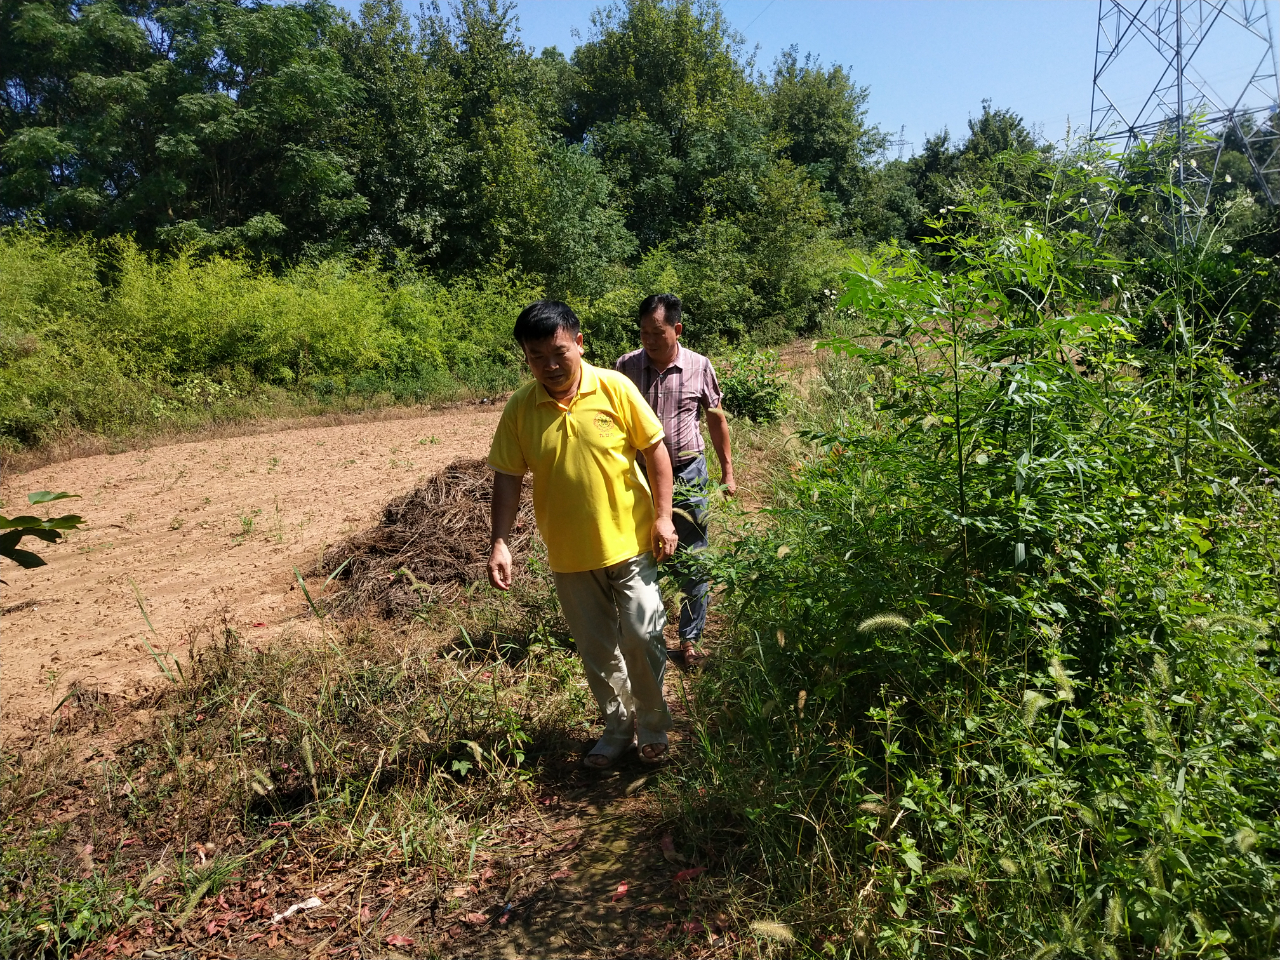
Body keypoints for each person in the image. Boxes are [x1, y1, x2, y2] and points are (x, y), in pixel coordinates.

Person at [487, 300, 679, 769]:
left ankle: (652, 726)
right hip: (569, 552)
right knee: (596, 649)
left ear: (578, 342)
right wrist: (500, 540)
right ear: (526, 357)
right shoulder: (521, 407)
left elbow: (655, 451)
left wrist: (663, 516)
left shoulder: (614, 387)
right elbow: (508, 477)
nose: (549, 365)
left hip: (632, 541)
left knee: (641, 632)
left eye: (558, 352)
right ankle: (616, 729)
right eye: (536, 357)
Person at [615, 293, 735, 670]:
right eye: (643, 333)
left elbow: (716, 419)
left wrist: (727, 471)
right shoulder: (626, 367)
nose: (648, 340)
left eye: (657, 332)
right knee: (635, 551)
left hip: (687, 472)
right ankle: (643, 633)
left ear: (677, 329)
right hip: (638, 474)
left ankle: (689, 638)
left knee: (693, 555)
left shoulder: (699, 366)